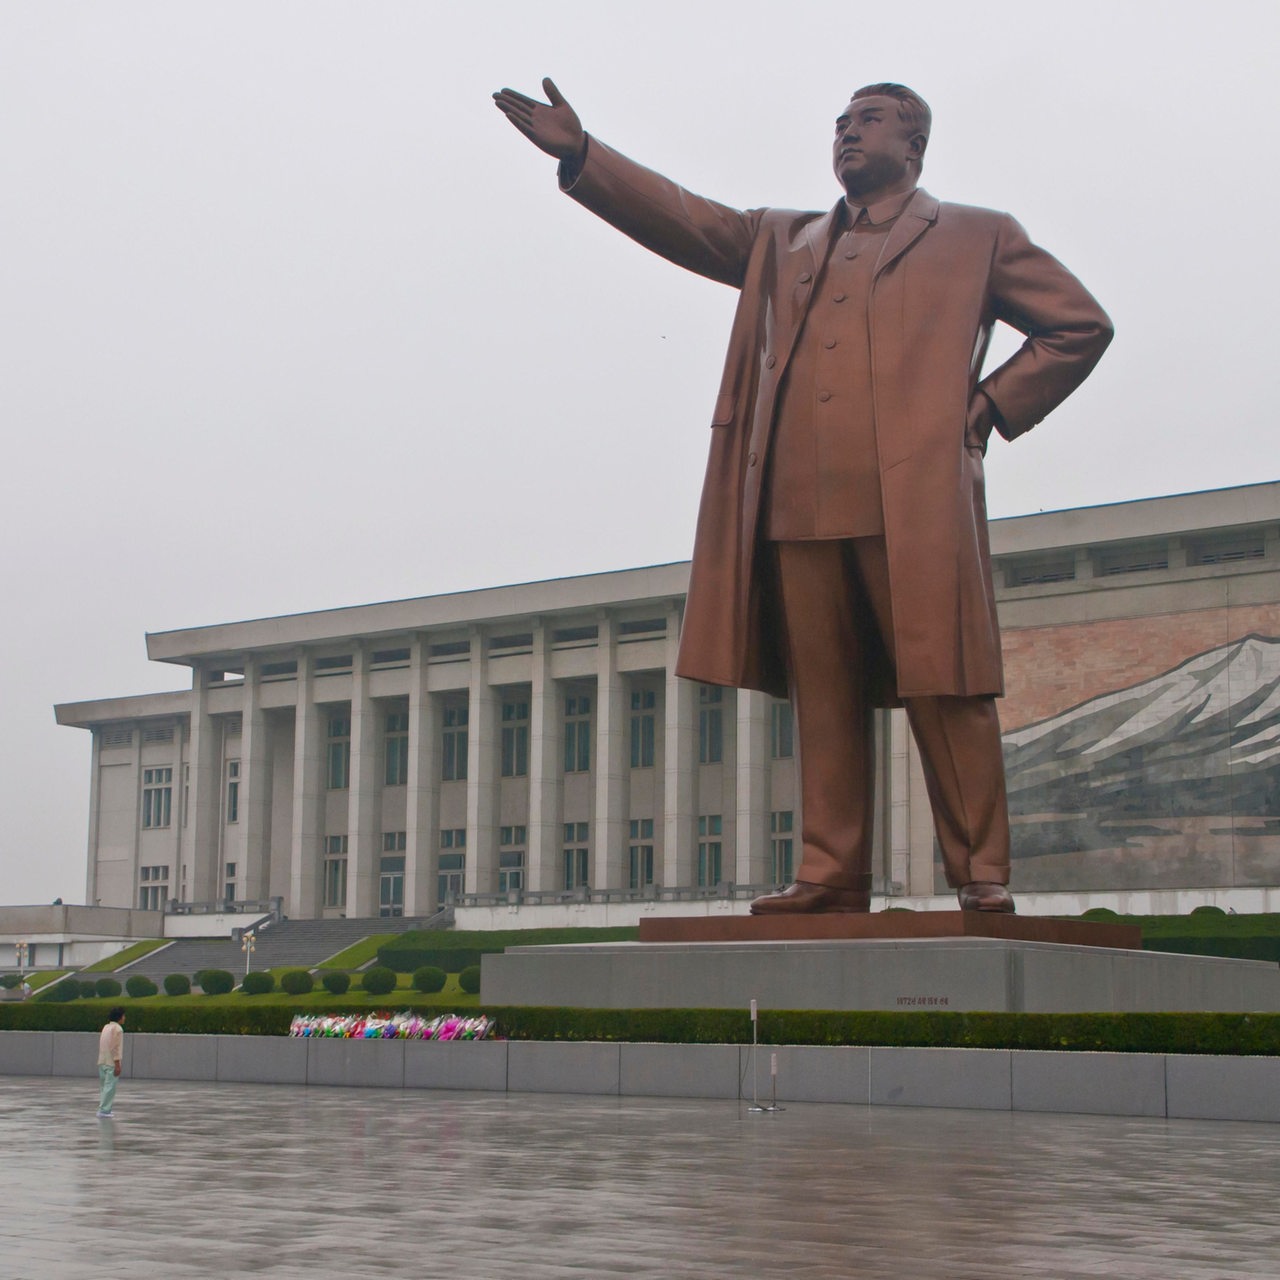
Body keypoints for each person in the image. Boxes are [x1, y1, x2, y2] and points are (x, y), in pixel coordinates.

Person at [493, 79, 1112, 914]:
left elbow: (1079, 324)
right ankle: (829, 873)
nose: (848, 134)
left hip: (915, 504)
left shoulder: (977, 235)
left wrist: (985, 410)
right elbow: (689, 220)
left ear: (915, 143)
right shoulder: (783, 241)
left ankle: (980, 873)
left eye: (869, 121)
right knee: (824, 695)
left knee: (947, 686)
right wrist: (585, 156)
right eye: (840, 124)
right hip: (795, 504)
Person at [96, 1006, 125, 1117]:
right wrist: (117, 1064)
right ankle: (104, 1110)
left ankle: (103, 1108)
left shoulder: (106, 1027)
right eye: (123, 1015)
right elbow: (115, 1048)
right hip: (111, 1062)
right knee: (110, 1087)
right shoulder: (118, 1029)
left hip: (102, 1060)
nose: (124, 1018)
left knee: (104, 1086)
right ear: (119, 1017)